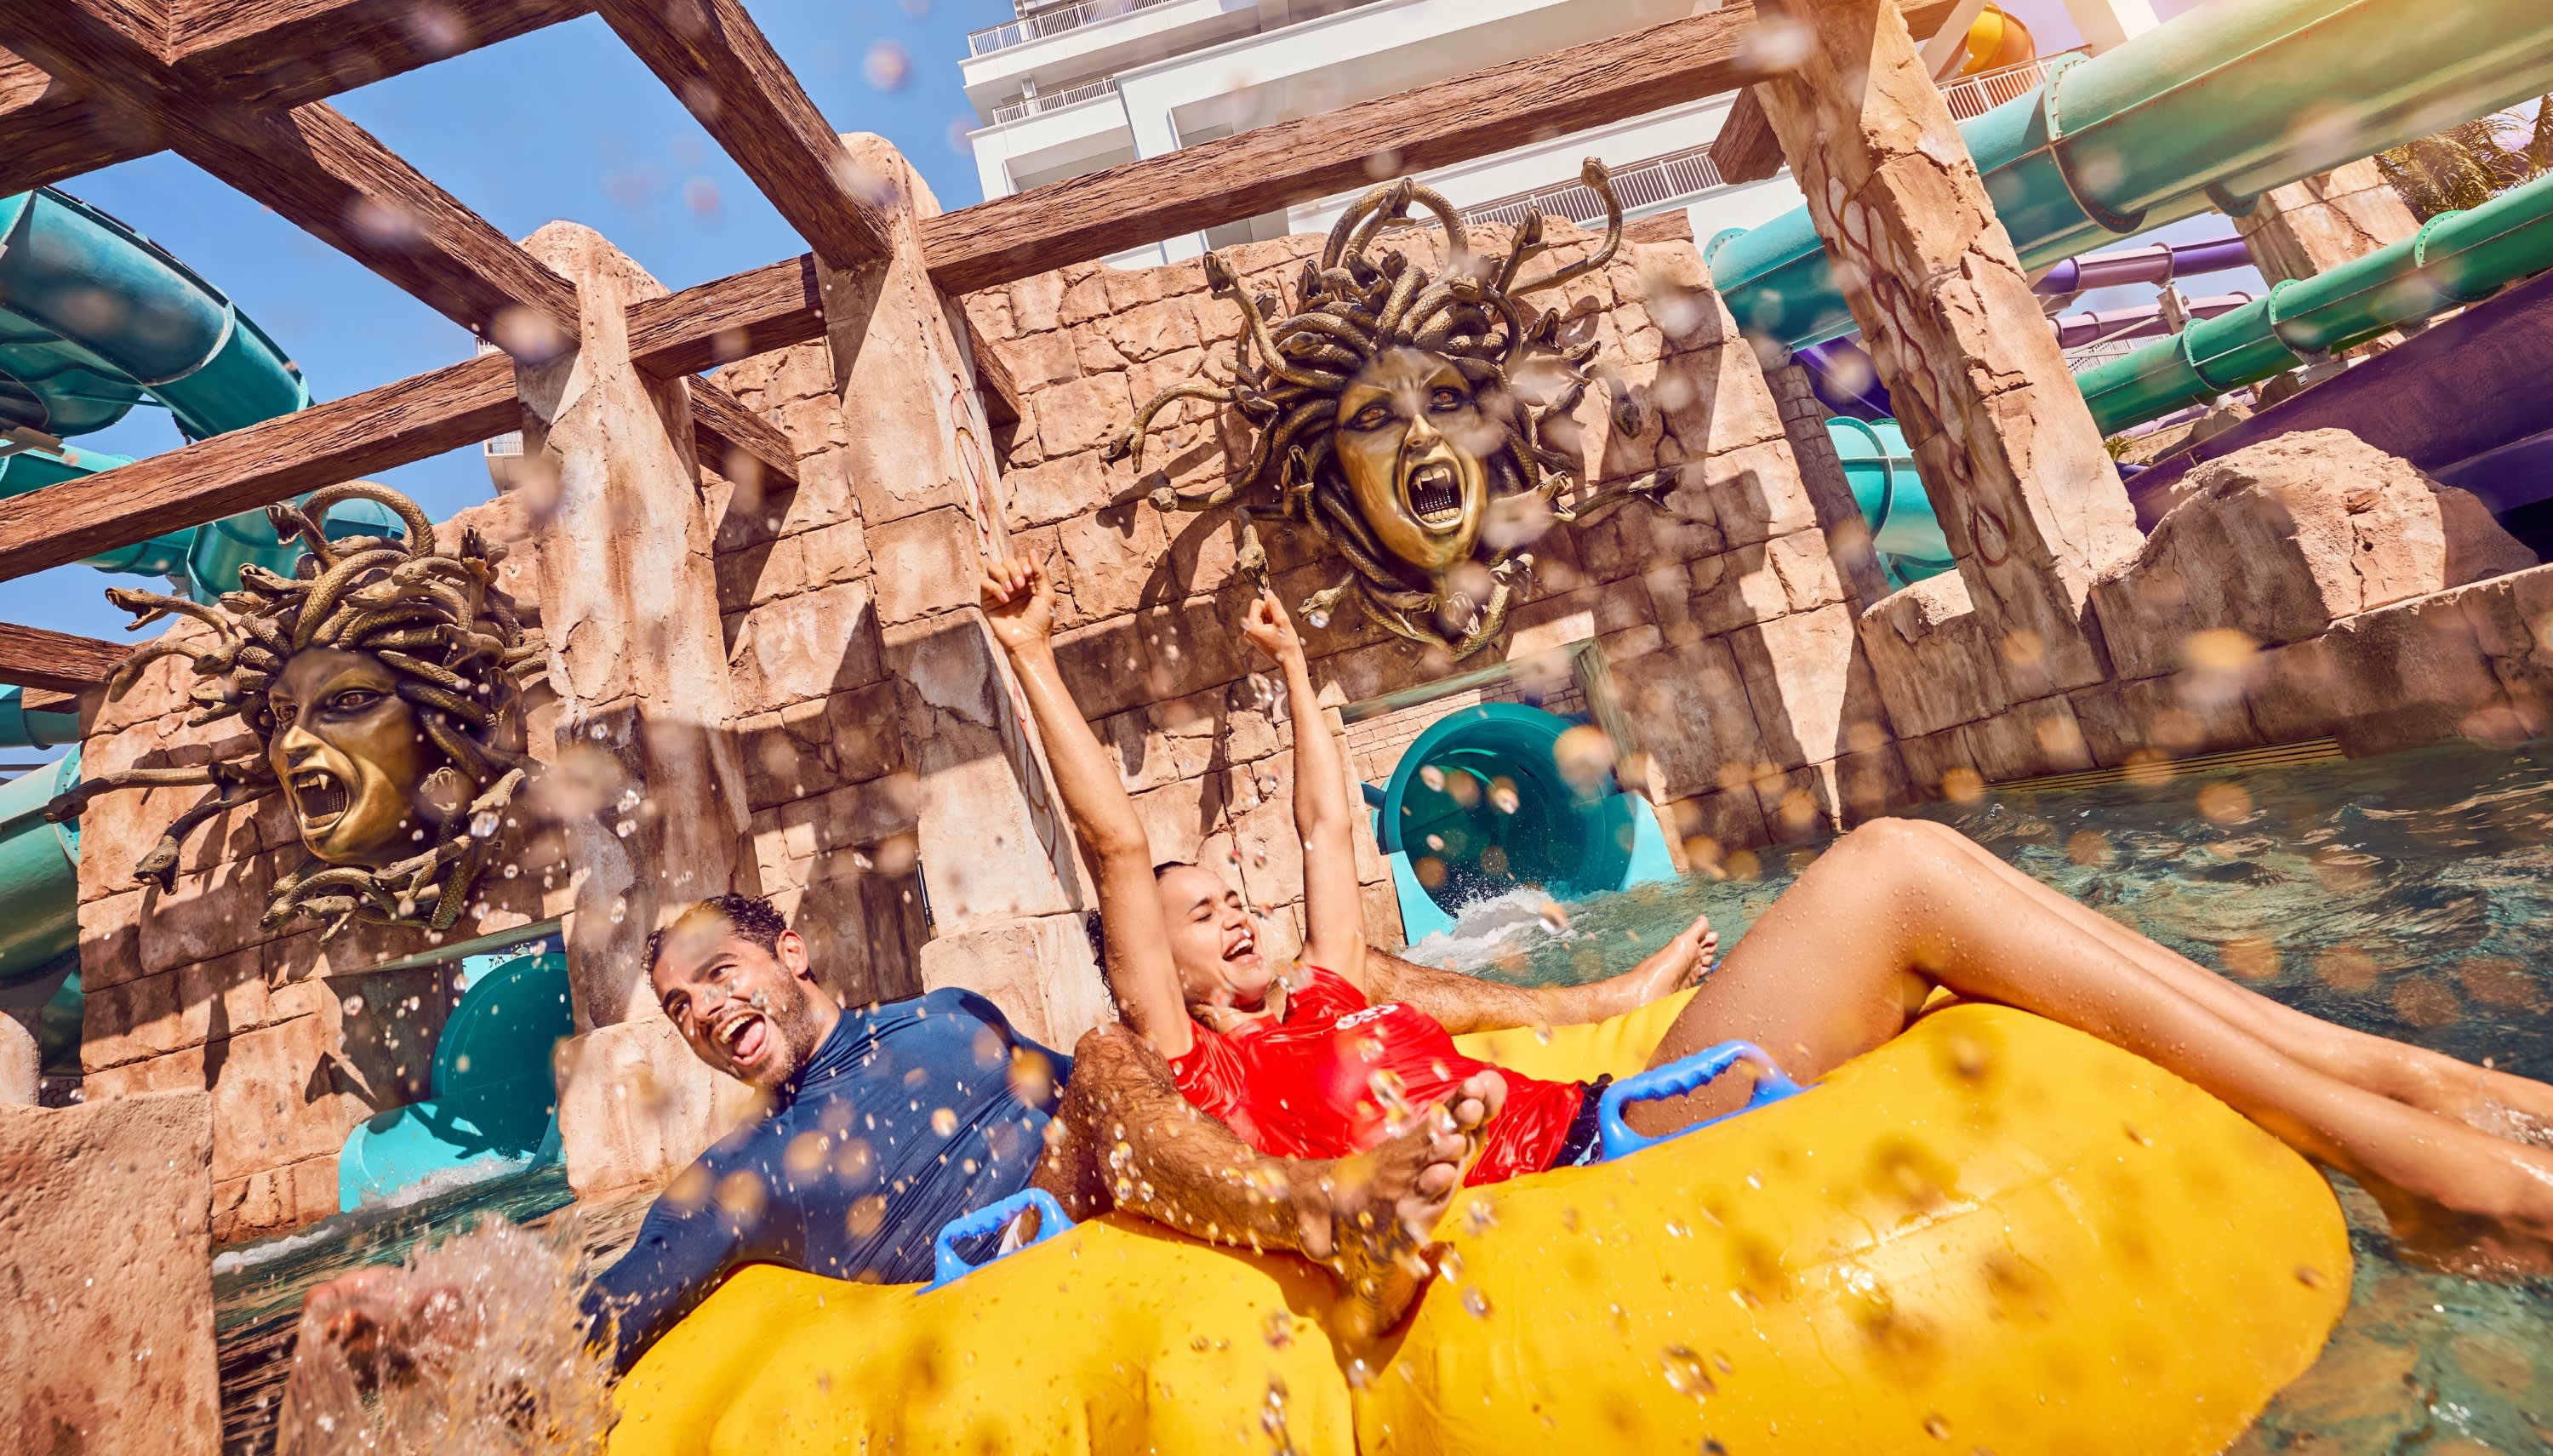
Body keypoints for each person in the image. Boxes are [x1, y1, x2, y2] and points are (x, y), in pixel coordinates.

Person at [983, 551, 2553, 1276]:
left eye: (1234, 894)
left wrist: (1295, 675)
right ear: (1152, 970)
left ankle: (2395, 1082)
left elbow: (1328, 823)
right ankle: (2398, 1144)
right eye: (1199, 916)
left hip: (1603, 1115)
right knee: (1896, 868)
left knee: (1934, 885)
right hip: (1601, 1175)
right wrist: (1035, 657)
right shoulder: (1189, 1067)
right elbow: (1116, 841)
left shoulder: (1336, 977)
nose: (1234, 913)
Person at [302, 861, 1717, 1382]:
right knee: (1107, 1056)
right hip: (1016, 1255)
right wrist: (421, 1314)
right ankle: (1327, 1214)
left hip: (1124, 1161)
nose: (706, 1013)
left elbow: (1126, 1090)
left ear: (791, 951)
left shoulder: (947, 1014)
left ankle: (1562, 1030)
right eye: (680, 1009)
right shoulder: (738, 1176)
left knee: (1220, 1016)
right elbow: (590, 1318)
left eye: (719, 975)